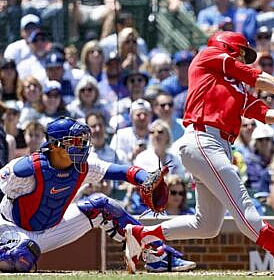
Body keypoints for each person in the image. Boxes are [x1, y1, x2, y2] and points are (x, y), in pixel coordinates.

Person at [124, 31, 274, 275]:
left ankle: (142, 234)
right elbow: (255, 76)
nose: (243, 58)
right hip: (203, 138)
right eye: (241, 52)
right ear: (229, 46)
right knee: (244, 209)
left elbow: (263, 113)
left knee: (207, 225)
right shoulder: (208, 56)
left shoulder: (235, 88)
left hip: (216, 146)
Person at [0, 116, 195, 273]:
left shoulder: (83, 167)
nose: (82, 146)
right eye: (75, 142)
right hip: (12, 229)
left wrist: (145, 178)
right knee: (21, 256)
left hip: (52, 228)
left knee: (102, 206)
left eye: (83, 141)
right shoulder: (24, 169)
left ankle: (156, 256)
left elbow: (121, 171)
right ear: (56, 145)